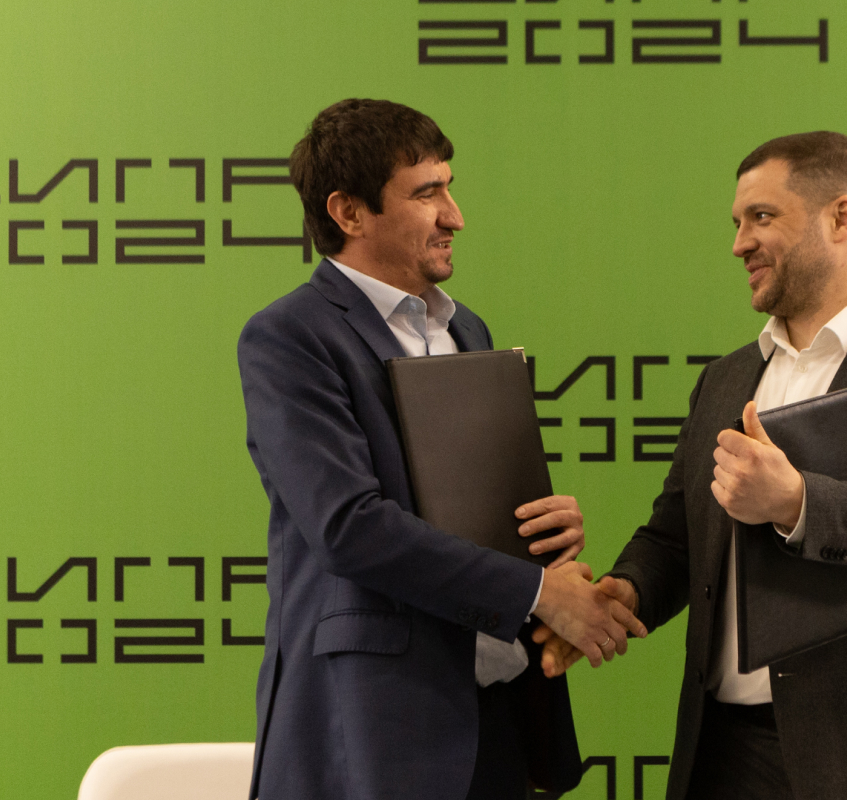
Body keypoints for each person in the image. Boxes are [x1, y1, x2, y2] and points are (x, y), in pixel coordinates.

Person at [537, 132, 847, 799]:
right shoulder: (725, 381)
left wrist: (796, 502)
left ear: (841, 218)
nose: (740, 244)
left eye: (761, 217)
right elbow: (676, 536)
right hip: (725, 756)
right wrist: (626, 593)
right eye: (737, 223)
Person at [237, 98, 646, 800]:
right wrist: (537, 592)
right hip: (377, 736)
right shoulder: (290, 337)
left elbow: (468, 518)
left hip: (495, 720)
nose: (455, 216)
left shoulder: (468, 331)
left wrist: (542, 537)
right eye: (427, 193)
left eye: (449, 189)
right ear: (349, 212)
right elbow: (348, 527)